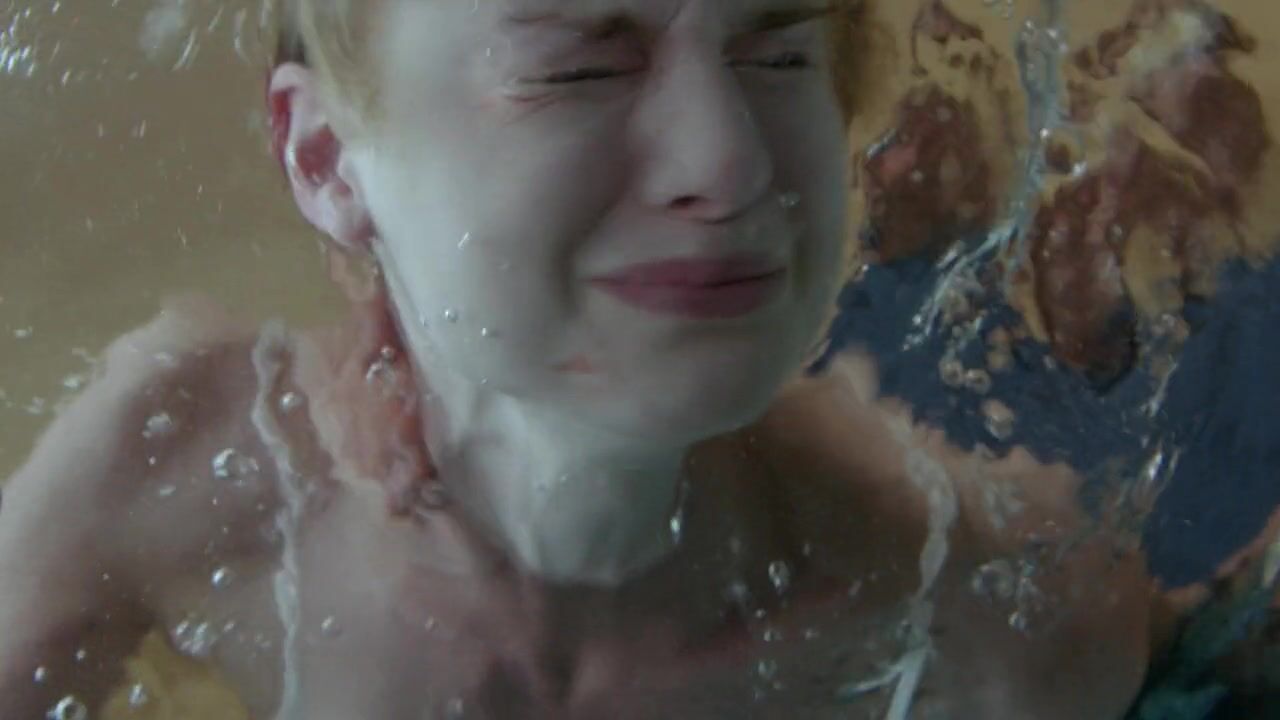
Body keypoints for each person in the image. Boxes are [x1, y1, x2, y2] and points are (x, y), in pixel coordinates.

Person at [0, 1, 1159, 718]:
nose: (731, 164)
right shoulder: (179, 466)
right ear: (325, 160)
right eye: (574, 68)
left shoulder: (990, 625)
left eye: (777, 53)